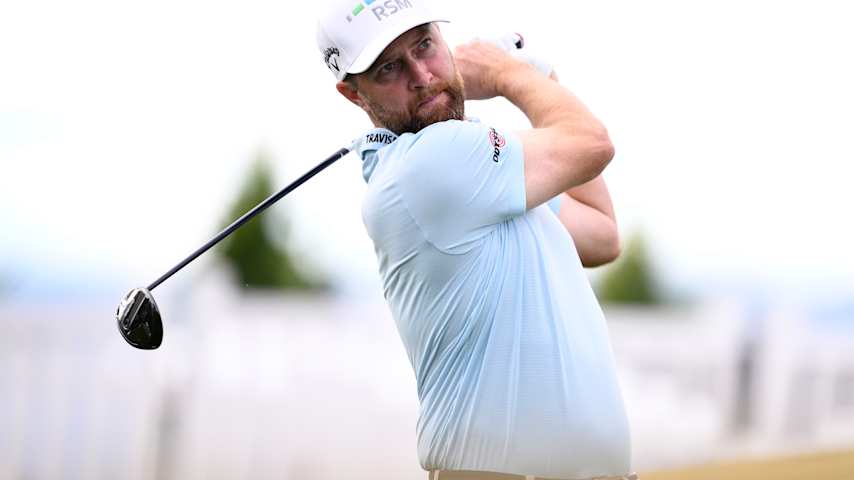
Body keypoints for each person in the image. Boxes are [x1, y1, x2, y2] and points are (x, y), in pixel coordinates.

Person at [316, 2, 635, 479]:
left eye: (424, 44)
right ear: (353, 95)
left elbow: (601, 234)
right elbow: (592, 144)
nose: (421, 75)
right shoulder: (433, 165)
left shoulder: (484, 180)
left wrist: (538, 77)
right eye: (389, 68)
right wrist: (509, 75)